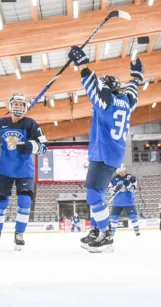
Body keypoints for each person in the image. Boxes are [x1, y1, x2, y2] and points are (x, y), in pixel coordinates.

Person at [67, 45, 142, 253]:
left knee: (93, 195)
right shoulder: (126, 102)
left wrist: (82, 65)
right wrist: (135, 76)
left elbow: (93, 88)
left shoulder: (106, 100)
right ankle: (96, 231)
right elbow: (132, 92)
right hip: (110, 155)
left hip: (103, 154)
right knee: (96, 194)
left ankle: (106, 234)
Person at [0, 93, 48, 251]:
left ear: (25, 107)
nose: (18, 107)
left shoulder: (31, 124)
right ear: (10, 105)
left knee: (25, 203)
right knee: (0, 204)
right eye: (16, 104)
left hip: (25, 171)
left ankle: (19, 234)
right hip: (5, 171)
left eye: (21, 104)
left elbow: (44, 147)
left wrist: (32, 146)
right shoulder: (0, 123)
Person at [108, 164, 140, 236]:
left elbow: (134, 190)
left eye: (122, 171)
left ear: (124, 169)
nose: (121, 173)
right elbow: (111, 192)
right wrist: (116, 188)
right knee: (114, 217)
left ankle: (137, 231)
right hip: (117, 202)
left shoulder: (131, 178)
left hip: (129, 202)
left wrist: (128, 185)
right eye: (119, 172)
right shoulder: (113, 179)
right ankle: (112, 232)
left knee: (133, 216)